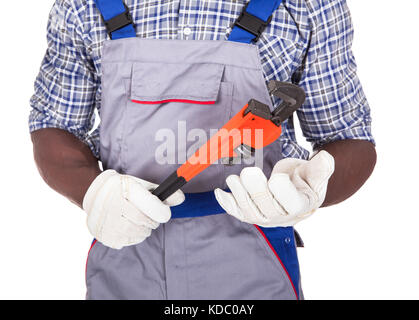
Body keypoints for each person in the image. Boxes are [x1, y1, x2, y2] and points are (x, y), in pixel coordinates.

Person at [29, 0, 376, 300]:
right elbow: (54, 126)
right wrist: (93, 193)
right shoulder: (82, 6)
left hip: (255, 263)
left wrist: (308, 190)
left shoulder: (309, 6)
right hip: (125, 254)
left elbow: (349, 138)